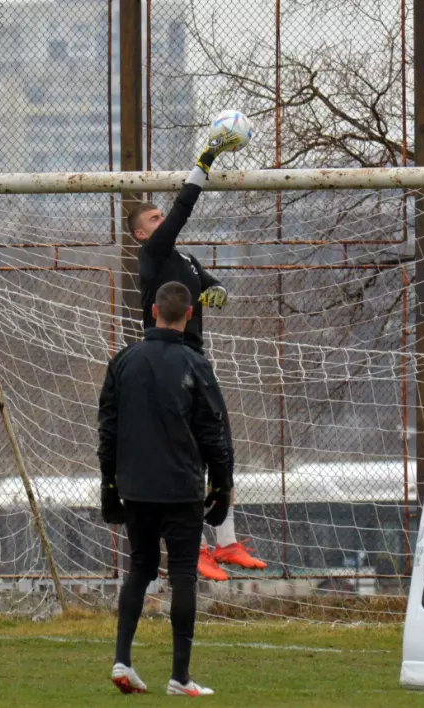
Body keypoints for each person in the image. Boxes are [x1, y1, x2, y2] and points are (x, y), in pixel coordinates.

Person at [125, 134, 266, 581]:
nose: (161, 218)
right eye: (154, 217)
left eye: (159, 213)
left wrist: (217, 292)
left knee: (217, 444)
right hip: (166, 361)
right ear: (142, 233)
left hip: (195, 360)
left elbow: (210, 285)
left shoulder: (183, 258)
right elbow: (183, 209)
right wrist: (203, 163)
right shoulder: (153, 252)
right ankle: (198, 548)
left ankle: (226, 545)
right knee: (186, 452)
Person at [98, 281, 232, 697]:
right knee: (183, 576)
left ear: (153, 310)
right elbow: (214, 431)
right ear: (189, 315)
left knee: (139, 568)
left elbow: (108, 429)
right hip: (182, 488)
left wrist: (109, 484)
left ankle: (123, 659)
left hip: (136, 488)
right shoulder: (195, 363)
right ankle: (180, 677)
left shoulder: (123, 361)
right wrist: (222, 484)